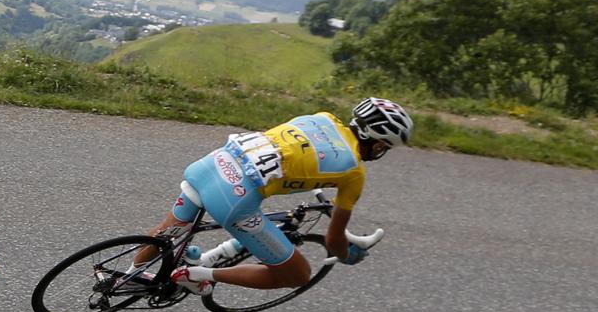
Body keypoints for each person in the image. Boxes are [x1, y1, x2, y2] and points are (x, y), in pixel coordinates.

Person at [131, 97, 413, 294]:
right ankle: (197, 275)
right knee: (298, 275)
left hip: (211, 164)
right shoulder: (354, 172)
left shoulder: (321, 118)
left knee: (166, 234)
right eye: (383, 148)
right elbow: (334, 239)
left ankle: (130, 274)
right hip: (234, 200)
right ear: (376, 143)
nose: (380, 153)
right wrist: (346, 255)